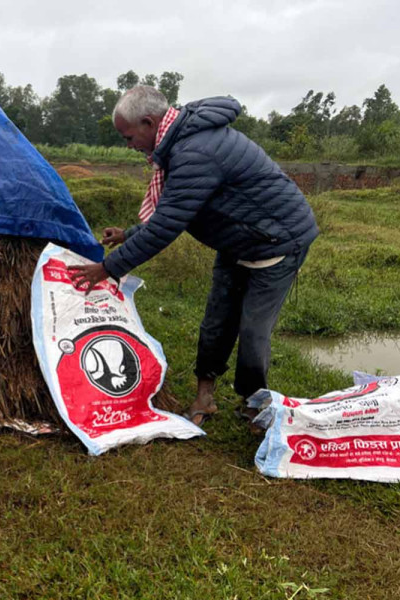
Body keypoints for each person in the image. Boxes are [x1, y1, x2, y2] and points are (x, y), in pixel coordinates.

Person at [68, 86, 318, 426]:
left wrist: (108, 268)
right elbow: (175, 209)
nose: (128, 145)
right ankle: (205, 395)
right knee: (216, 321)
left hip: (277, 243)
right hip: (238, 240)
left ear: (148, 122)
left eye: (128, 137)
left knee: (253, 331)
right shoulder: (179, 145)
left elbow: (167, 225)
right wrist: (129, 233)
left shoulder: (195, 152)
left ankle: (253, 401)